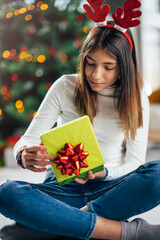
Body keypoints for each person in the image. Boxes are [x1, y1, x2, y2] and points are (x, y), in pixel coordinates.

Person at [1, 0, 160, 239]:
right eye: (90, 63)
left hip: (109, 188)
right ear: (83, 59)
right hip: (62, 187)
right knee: (8, 192)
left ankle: (62, 223)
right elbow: (29, 138)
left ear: (123, 67)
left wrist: (104, 173)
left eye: (109, 67)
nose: (96, 74)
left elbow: (136, 163)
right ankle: (127, 232)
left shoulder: (137, 97)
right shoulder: (65, 86)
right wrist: (23, 154)